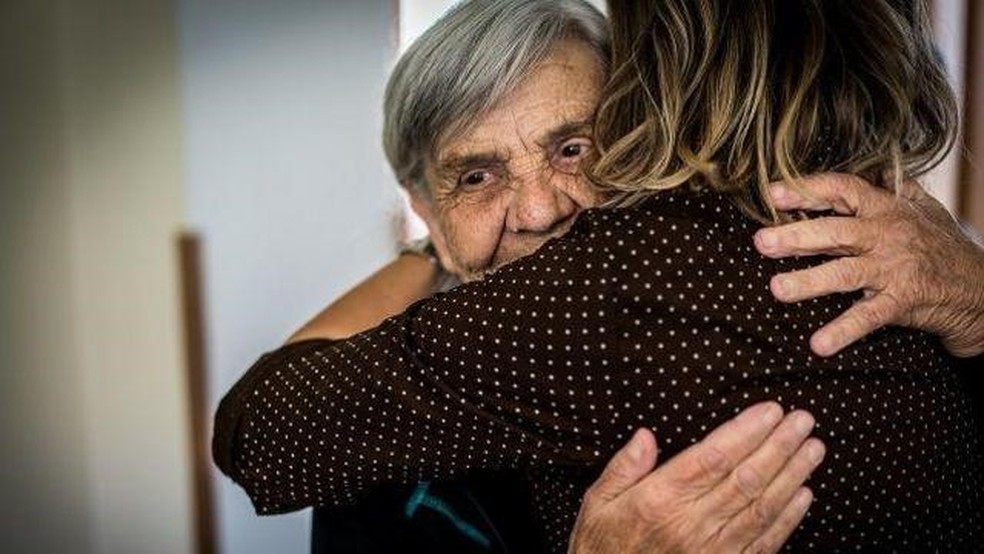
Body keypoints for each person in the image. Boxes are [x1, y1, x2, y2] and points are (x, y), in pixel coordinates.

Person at [215, 0, 984, 551]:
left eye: (575, 148)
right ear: (423, 205)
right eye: (476, 178)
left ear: (643, 137)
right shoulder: (377, 457)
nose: (543, 209)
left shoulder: (639, 289)